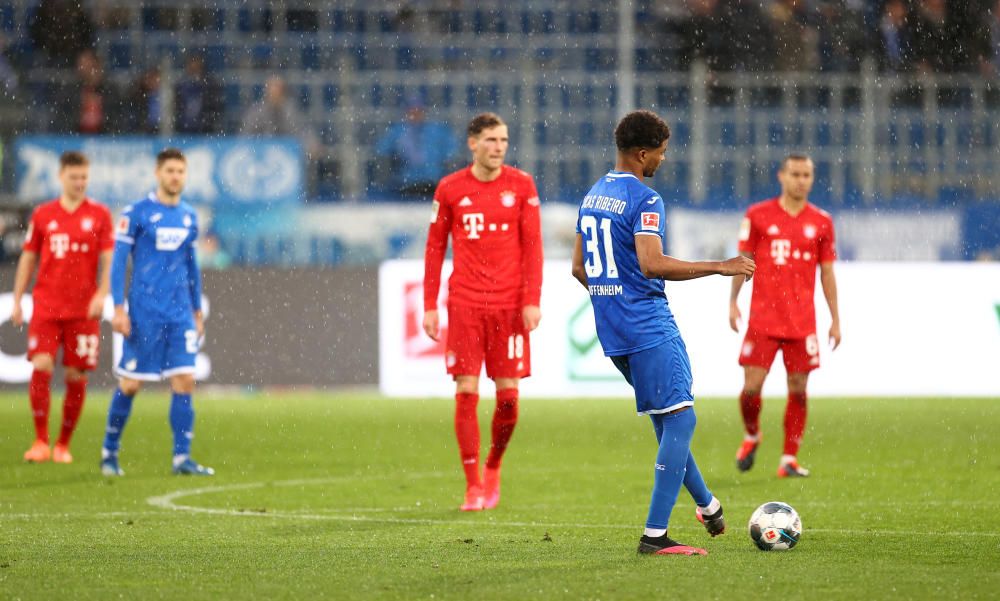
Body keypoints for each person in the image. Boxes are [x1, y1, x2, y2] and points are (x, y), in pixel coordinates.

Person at [572, 110, 754, 556]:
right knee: (681, 419)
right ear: (641, 153)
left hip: (612, 328)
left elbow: (579, 268)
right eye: (661, 152)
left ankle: (708, 506)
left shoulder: (594, 194)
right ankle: (655, 537)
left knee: (668, 418)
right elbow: (652, 263)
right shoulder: (645, 199)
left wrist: (612, 297)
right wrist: (720, 266)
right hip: (648, 324)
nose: (663, 160)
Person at [422, 112, 543, 512]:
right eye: (491, 140)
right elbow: (435, 248)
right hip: (465, 305)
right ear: (472, 143)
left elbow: (533, 248)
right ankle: (473, 485)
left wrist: (531, 299)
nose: (499, 147)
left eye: (504, 141)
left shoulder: (522, 185)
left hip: (509, 306)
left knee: (508, 399)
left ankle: (493, 466)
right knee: (466, 392)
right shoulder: (451, 188)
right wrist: (429, 305)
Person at [100, 148, 213, 477]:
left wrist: (196, 310)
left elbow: (191, 266)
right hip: (144, 313)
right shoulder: (136, 213)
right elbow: (120, 261)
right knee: (131, 384)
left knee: (185, 380)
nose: (175, 176)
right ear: (157, 173)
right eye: (170, 171)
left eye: (180, 171)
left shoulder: (190, 216)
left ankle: (182, 458)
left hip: (179, 314)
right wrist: (118, 308)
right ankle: (109, 452)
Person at [729, 154, 840, 478]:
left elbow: (828, 273)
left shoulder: (821, 222)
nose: (801, 180)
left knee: (799, 387)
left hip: (801, 322)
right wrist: (733, 301)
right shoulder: (758, 215)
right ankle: (752, 434)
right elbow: (743, 260)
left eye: (807, 174)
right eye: (795, 174)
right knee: (751, 388)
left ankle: (789, 458)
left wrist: (835, 318)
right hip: (763, 319)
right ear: (782, 176)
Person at [12, 151, 113, 464]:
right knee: (41, 364)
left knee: (76, 374)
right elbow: (29, 257)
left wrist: (102, 294)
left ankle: (63, 444)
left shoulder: (99, 214)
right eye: (74, 177)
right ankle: (41, 440)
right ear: (61, 177)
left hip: (83, 310)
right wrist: (17, 298)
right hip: (47, 306)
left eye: (84, 177)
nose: (80, 182)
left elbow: (110, 258)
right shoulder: (43, 215)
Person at [374, 100, 459, 198]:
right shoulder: (398, 131)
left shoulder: (437, 130)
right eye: (412, 111)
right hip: (406, 183)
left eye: (418, 111)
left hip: (432, 182)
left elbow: (453, 152)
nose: (415, 115)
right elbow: (380, 150)